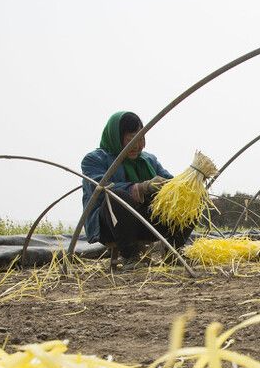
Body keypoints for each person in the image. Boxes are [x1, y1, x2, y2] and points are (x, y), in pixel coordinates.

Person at [80, 111, 188, 264]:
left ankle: (173, 251)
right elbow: (101, 189)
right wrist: (142, 187)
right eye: (132, 140)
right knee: (116, 197)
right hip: (112, 226)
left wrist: (189, 183)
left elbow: (169, 181)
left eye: (142, 139)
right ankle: (131, 256)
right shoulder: (94, 160)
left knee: (190, 199)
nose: (138, 146)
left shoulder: (149, 160)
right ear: (116, 138)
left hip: (146, 224)